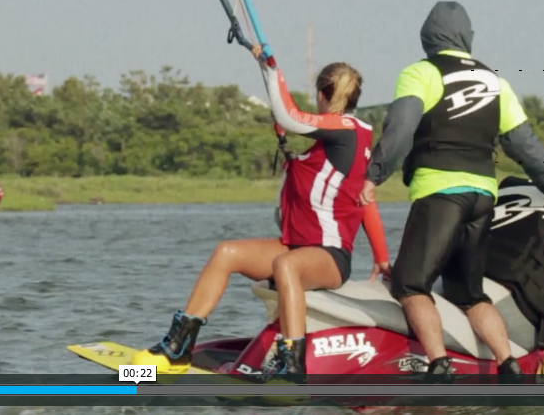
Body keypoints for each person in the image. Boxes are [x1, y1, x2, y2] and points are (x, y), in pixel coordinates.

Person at [359, 1, 544, 376]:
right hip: (483, 196)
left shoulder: (421, 73)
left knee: (410, 284)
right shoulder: (496, 82)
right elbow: (525, 146)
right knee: (468, 293)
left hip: (440, 192)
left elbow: (400, 129)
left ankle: (438, 366)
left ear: (428, 37)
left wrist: (375, 174)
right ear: (467, 38)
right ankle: (509, 365)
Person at [132, 54, 390, 375]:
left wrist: (272, 71)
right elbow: (364, 199)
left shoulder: (348, 131)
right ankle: (179, 346)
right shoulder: (339, 139)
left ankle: (291, 363)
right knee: (227, 253)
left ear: (323, 95)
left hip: (330, 256)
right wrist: (381, 257)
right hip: (297, 247)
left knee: (286, 265)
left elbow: (292, 116)